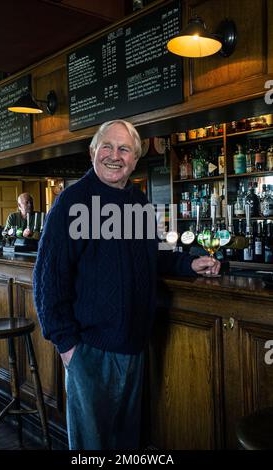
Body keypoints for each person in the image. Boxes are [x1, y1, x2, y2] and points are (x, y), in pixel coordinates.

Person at [33, 120, 220, 450]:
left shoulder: (139, 203)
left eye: (124, 149)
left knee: (126, 443)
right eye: (107, 146)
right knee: (92, 447)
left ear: (135, 159)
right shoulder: (72, 202)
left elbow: (154, 256)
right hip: (89, 349)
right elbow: (48, 279)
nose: (114, 156)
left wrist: (190, 263)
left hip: (134, 345)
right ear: (93, 152)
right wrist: (67, 346)